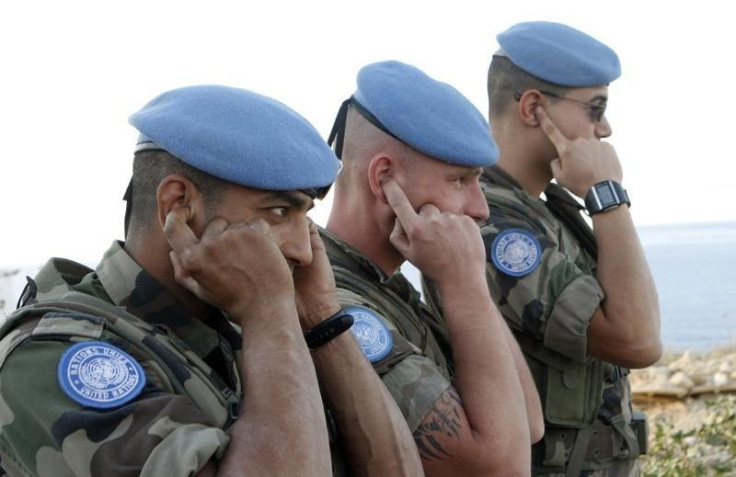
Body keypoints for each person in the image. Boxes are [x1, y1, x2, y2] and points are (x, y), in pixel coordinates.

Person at [0, 85, 421, 476]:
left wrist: (320, 317)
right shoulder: (52, 356)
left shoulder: (252, 331)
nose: (304, 251)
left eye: (304, 217)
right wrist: (268, 312)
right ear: (177, 205)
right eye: (278, 212)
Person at [323, 60, 544, 476]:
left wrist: (462, 282)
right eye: (460, 181)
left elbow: (528, 422)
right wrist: (463, 285)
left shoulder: (391, 287)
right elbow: (501, 469)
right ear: (383, 176)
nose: (480, 209)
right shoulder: (336, 306)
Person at [474, 21, 661, 475]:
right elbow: (637, 340)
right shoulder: (491, 225)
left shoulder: (547, 209)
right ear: (534, 108)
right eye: (595, 109)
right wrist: (606, 193)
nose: (606, 128)